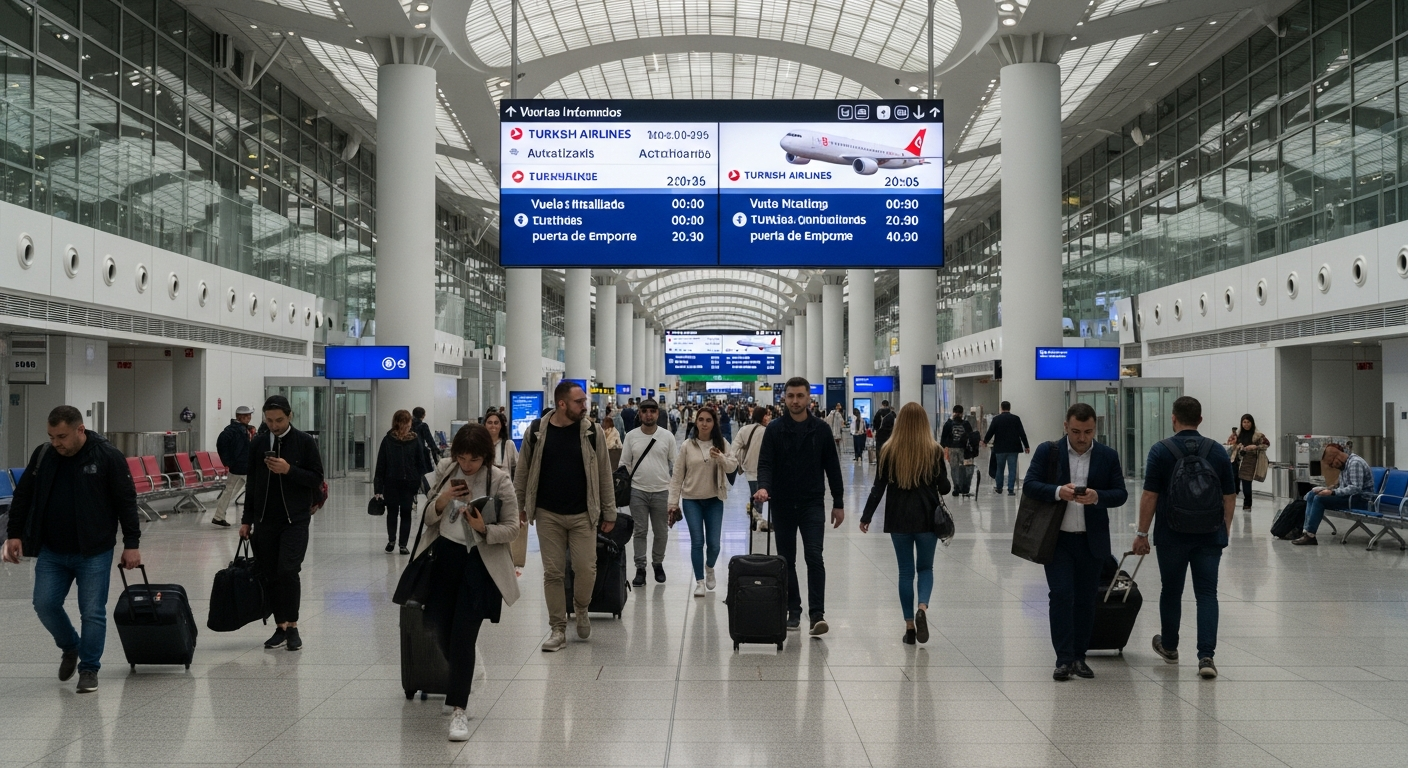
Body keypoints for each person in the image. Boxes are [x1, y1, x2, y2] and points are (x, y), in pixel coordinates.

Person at [3, 406, 141, 694]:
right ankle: (70, 646)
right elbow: (24, 494)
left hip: (94, 550)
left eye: (62, 436)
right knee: (44, 604)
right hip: (52, 550)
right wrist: (13, 534)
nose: (56, 443)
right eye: (52, 436)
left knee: (92, 612)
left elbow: (126, 501)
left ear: (80, 429)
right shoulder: (44, 455)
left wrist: (131, 544)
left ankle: (89, 668)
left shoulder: (107, 456)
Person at [417, 423, 520, 741]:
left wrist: (483, 528)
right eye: (461, 457)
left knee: (462, 637)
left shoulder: (499, 479)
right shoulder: (447, 469)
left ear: (485, 457)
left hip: (479, 565)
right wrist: (443, 499)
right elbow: (427, 517)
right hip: (444, 559)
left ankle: (459, 710)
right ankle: (471, 673)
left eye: (472, 460)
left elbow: (513, 528)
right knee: (440, 629)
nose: (466, 465)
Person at [1023, 403, 1129, 681]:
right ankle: (1063, 659)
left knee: (1085, 600)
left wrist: (1098, 497)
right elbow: (1030, 485)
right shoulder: (1050, 452)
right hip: (1056, 540)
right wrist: (1059, 491)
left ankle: (1079, 657)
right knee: (1060, 595)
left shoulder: (1107, 455)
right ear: (1065, 426)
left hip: (1091, 542)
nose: (1082, 438)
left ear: (1096, 428)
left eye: (1088, 432)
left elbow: (1120, 493)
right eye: (1076, 431)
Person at [1133, 396, 1236, 679]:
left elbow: (1150, 495)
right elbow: (1229, 495)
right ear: (1200, 420)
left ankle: (1169, 646)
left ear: (1173, 418)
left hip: (1171, 534)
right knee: (1206, 594)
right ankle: (1206, 657)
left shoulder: (1160, 451)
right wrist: (1224, 530)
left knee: (1172, 590)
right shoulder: (1217, 451)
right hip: (1209, 535)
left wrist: (1142, 534)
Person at [513, 381, 616, 652]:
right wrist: (519, 506)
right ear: (562, 404)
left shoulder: (592, 431)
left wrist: (610, 511)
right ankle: (558, 628)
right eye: (579, 402)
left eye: (584, 401)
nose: (585, 406)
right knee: (554, 573)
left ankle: (581, 608)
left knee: (585, 568)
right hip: (548, 514)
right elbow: (522, 471)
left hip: (584, 513)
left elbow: (605, 473)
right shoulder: (537, 431)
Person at [753, 377, 845, 637]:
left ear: (808, 399)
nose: (795, 401)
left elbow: (833, 468)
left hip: (812, 502)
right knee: (786, 559)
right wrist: (763, 486)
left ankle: (817, 614)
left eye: (800, 396)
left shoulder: (821, 430)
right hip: (782, 503)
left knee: (814, 555)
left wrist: (838, 503)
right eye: (791, 396)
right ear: (784, 398)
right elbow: (766, 463)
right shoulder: (774, 430)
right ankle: (793, 609)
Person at [859, 403, 951, 645]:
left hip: (898, 519)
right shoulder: (933, 450)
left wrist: (866, 516)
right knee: (925, 569)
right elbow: (945, 488)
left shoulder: (888, 450)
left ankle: (910, 627)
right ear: (924, 423)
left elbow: (878, 488)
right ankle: (922, 607)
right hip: (927, 519)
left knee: (905, 572)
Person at [240, 395, 325, 653]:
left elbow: (316, 478)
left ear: (289, 416)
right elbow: (252, 483)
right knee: (271, 573)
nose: (274, 425)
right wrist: (246, 520)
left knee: (289, 570)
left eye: (279, 420)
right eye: (269, 420)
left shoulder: (304, 442)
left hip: (295, 519)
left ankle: (294, 626)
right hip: (265, 520)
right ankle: (280, 626)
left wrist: (289, 470)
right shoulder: (257, 443)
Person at [669, 407, 738, 597]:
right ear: (696, 422)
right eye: (701, 420)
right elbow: (677, 476)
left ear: (714, 423)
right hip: (692, 500)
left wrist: (721, 457)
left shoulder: (722, 443)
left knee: (714, 544)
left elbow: (733, 466)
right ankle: (699, 581)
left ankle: (709, 567)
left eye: (708, 420)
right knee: (697, 541)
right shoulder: (687, 446)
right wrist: (673, 503)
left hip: (714, 500)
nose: (704, 423)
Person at [620, 398, 678, 587]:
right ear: (640, 413)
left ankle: (658, 563)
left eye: (652, 411)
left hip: (662, 490)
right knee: (640, 531)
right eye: (645, 411)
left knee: (661, 532)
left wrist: (675, 494)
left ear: (657, 414)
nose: (648, 414)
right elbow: (624, 464)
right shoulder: (631, 436)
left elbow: (675, 465)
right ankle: (640, 568)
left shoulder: (667, 436)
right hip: (638, 491)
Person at [1293, 443, 1375, 546]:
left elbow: (1356, 488)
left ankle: (1310, 536)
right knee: (1312, 495)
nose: (1332, 467)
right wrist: (1326, 489)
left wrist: (1332, 493)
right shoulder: (1344, 466)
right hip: (1350, 498)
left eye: (1331, 464)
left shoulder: (1355, 463)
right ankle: (1305, 532)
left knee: (1320, 500)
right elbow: (1341, 486)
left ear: (1336, 457)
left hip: (1361, 500)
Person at [374, 409, 432, 554]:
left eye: (408, 422)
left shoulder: (415, 439)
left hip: (409, 482)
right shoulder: (388, 440)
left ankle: (403, 544)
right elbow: (381, 464)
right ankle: (392, 540)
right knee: (392, 512)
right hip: (391, 482)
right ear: (398, 423)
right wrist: (378, 489)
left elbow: (421, 462)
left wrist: (424, 483)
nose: (407, 425)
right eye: (405, 422)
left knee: (406, 512)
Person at [484, 411, 525, 573]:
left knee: (505, 530)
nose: (493, 426)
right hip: (485, 494)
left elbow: (518, 468)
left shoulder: (508, 445)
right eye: (490, 422)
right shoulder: (480, 444)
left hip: (505, 495)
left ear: (501, 426)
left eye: (496, 423)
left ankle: (508, 566)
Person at [212, 405, 255, 527]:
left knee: (229, 491)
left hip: (239, 466)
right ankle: (256, 517)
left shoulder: (238, 430)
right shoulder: (237, 431)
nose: (249, 418)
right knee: (254, 490)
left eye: (250, 415)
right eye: (246, 416)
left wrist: (229, 462)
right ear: (239, 417)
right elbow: (225, 447)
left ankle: (218, 516)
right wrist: (229, 462)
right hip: (242, 467)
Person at [734, 407, 771, 530]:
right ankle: (758, 520)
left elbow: (734, 449)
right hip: (764, 469)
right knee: (760, 496)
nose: (769, 418)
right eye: (767, 415)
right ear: (762, 416)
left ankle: (755, 521)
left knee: (755, 494)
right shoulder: (767, 431)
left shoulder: (744, 430)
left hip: (749, 468)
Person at [983, 401, 1030, 495]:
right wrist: (1026, 446)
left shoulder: (996, 419)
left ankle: (999, 488)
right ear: (1009, 408)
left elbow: (990, 431)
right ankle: (1011, 490)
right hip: (1013, 448)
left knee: (1000, 468)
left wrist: (985, 441)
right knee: (1012, 469)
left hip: (1000, 448)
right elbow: (1022, 433)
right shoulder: (1016, 419)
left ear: (1001, 408)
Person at [1224, 415, 1270, 511]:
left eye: (1248, 422)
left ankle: (1247, 503)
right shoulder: (1237, 434)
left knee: (1246, 482)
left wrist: (1255, 446)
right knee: (1234, 480)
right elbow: (1229, 444)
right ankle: (1231, 500)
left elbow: (1266, 444)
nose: (1246, 424)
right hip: (1236, 460)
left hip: (1250, 461)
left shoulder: (1258, 435)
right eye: (1244, 422)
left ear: (1252, 423)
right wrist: (1236, 445)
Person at [939, 405, 974, 498]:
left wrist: (943, 447)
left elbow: (943, 437)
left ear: (953, 412)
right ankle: (964, 487)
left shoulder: (948, 424)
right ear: (962, 413)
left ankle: (956, 487)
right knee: (964, 468)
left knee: (954, 468)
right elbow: (971, 436)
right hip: (964, 450)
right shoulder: (966, 424)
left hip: (952, 449)